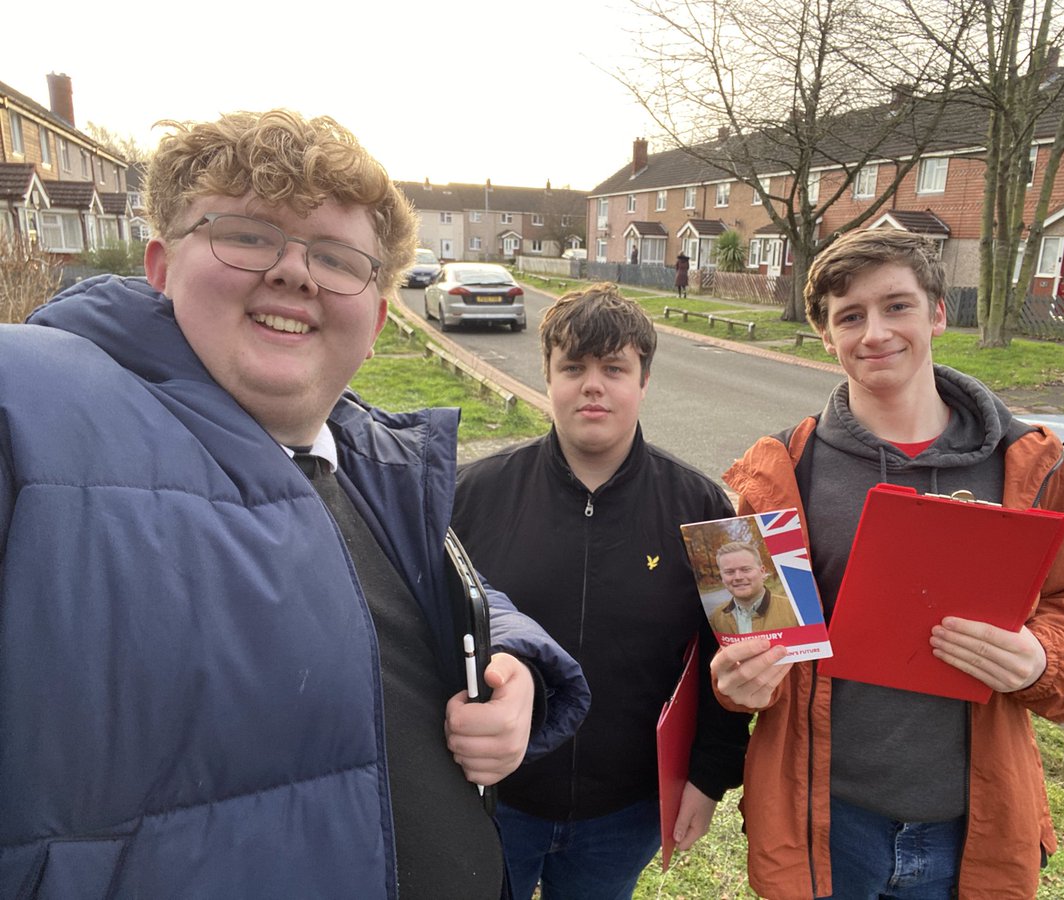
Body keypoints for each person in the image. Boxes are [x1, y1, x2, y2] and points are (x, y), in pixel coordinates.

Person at [0, 109, 589, 900]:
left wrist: (512, 659)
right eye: (247, 235)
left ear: (377, 319)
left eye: (338, 258)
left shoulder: (375, 459)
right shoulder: (34, 412)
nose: (295, 273)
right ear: (161, 265)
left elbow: (399, 593)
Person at [712, 229, 1064, 899]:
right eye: (850, 316)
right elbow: (755, 634)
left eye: (897, 306)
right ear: (825, 336)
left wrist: (1043, 659)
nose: (875, 333)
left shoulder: (1030, 463)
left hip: (973, 824)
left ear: (939, 313)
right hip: (826, 825)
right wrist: (740, 681)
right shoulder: (780, 470)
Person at [451, 284, 751, 900]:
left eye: (614, 368)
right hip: (490, 800)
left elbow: (728, 657)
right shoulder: (469, 497)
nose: (594, 385)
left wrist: (707, 780)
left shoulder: (704, 510)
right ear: (549, 377)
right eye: (574, 367)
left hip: (625, 809)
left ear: (644, 382)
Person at [707, 541, 800, 635]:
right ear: (722, 577)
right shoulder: (716, 618)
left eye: (746, 569)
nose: (738, 577)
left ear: (762, 571)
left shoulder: (794, 610)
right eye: (729, 572)